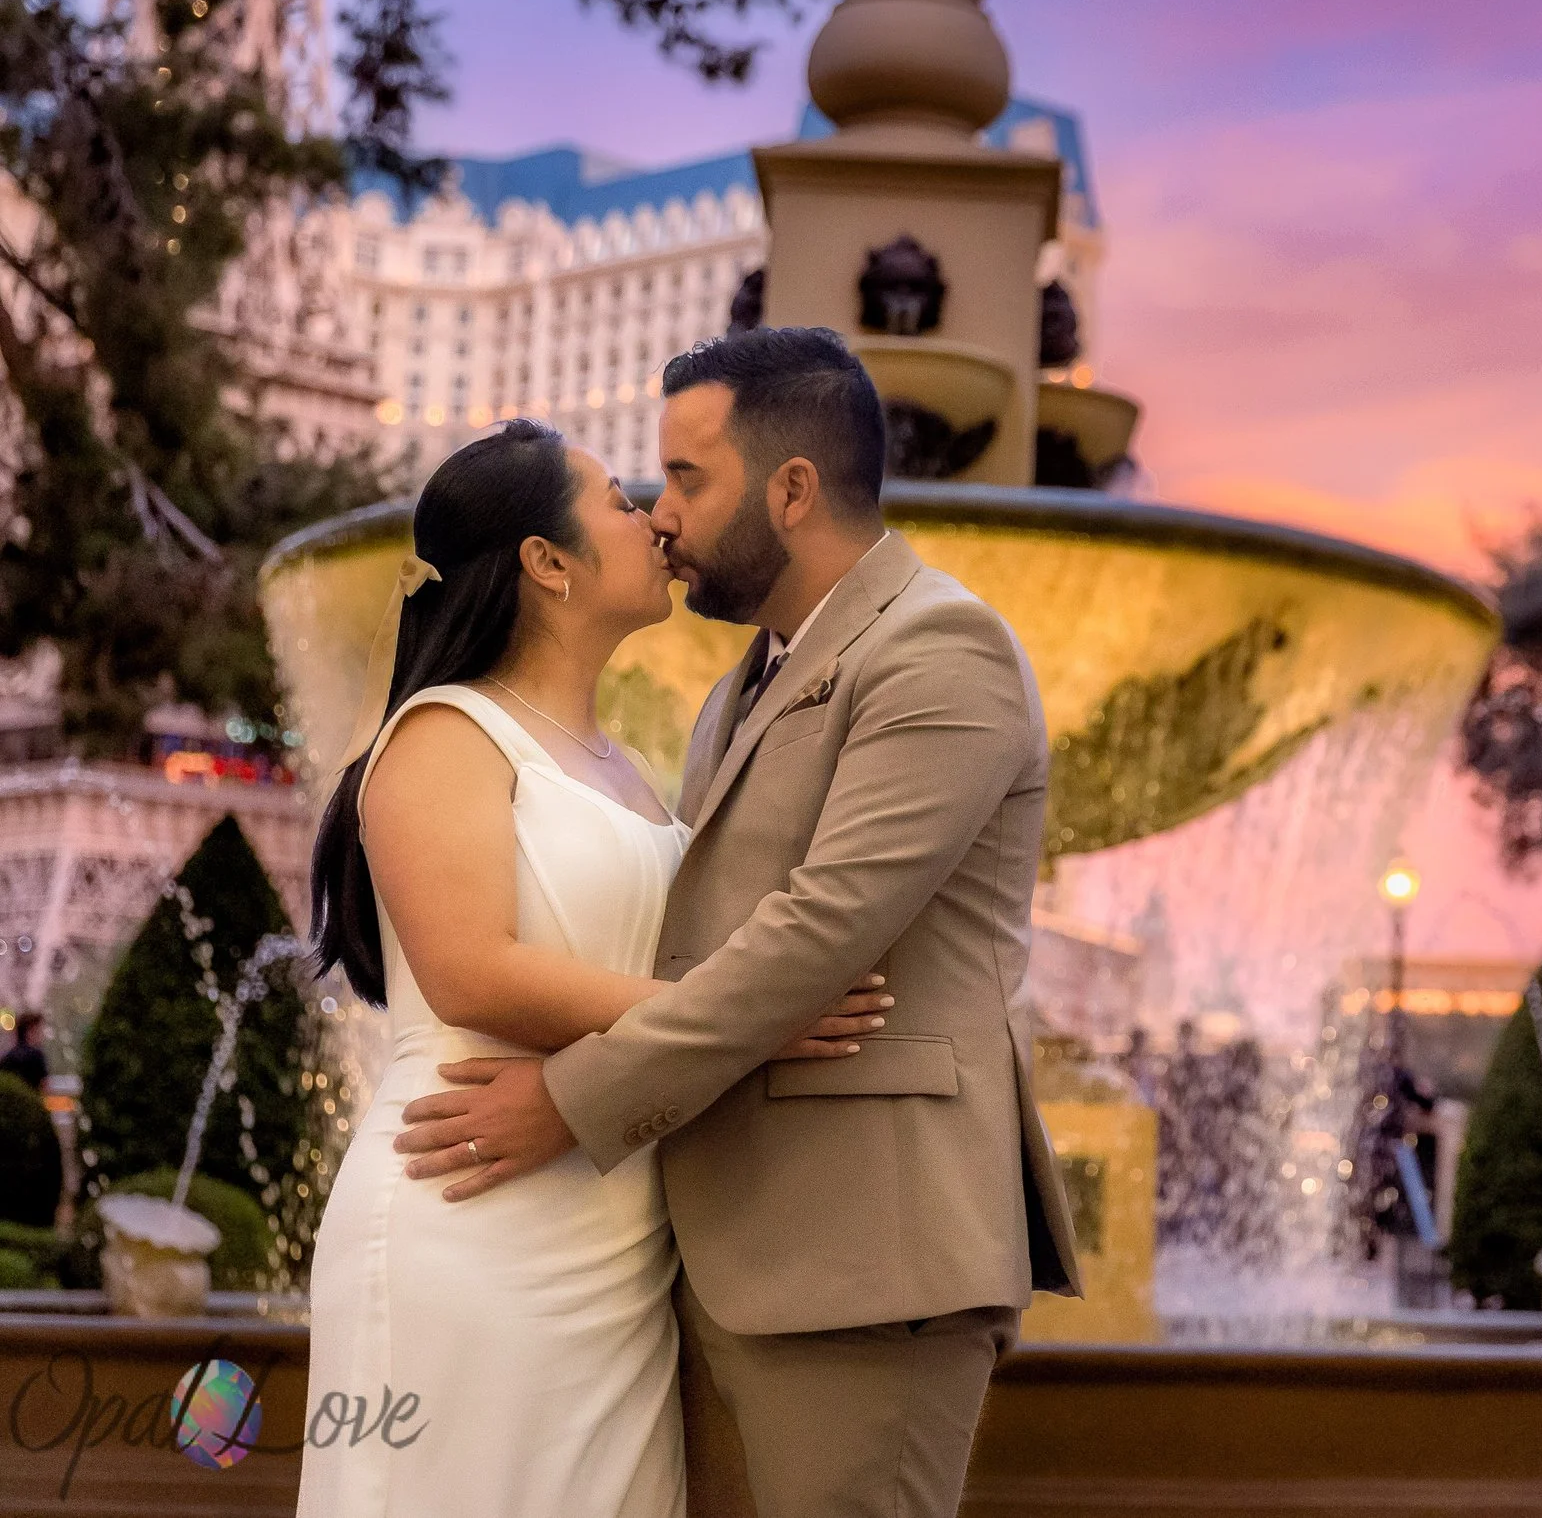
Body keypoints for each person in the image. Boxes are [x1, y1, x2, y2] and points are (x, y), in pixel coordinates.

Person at [388, 327, 1081, 1518]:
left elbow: (821, 932)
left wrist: (571, 1098)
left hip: (868, 1256)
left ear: (792, 488)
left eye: (689, 480)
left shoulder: (939, 647)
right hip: (712, 1256)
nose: (661, 515)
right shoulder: (741, 684)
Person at [299, 420, 896, 1518]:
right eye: (620, 501)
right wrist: (738, 1017)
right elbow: (473, 972)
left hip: (613, 1237)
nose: (654, 518)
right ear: (546, 559)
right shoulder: (445, 730)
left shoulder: (625, 764)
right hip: (468, 1203)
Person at [0, 1012, 45, 1091]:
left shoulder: (8, 1057)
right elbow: (43, 1085)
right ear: (30, 1031)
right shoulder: (36, 1056)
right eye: (39, 1030)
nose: (42, 1034)